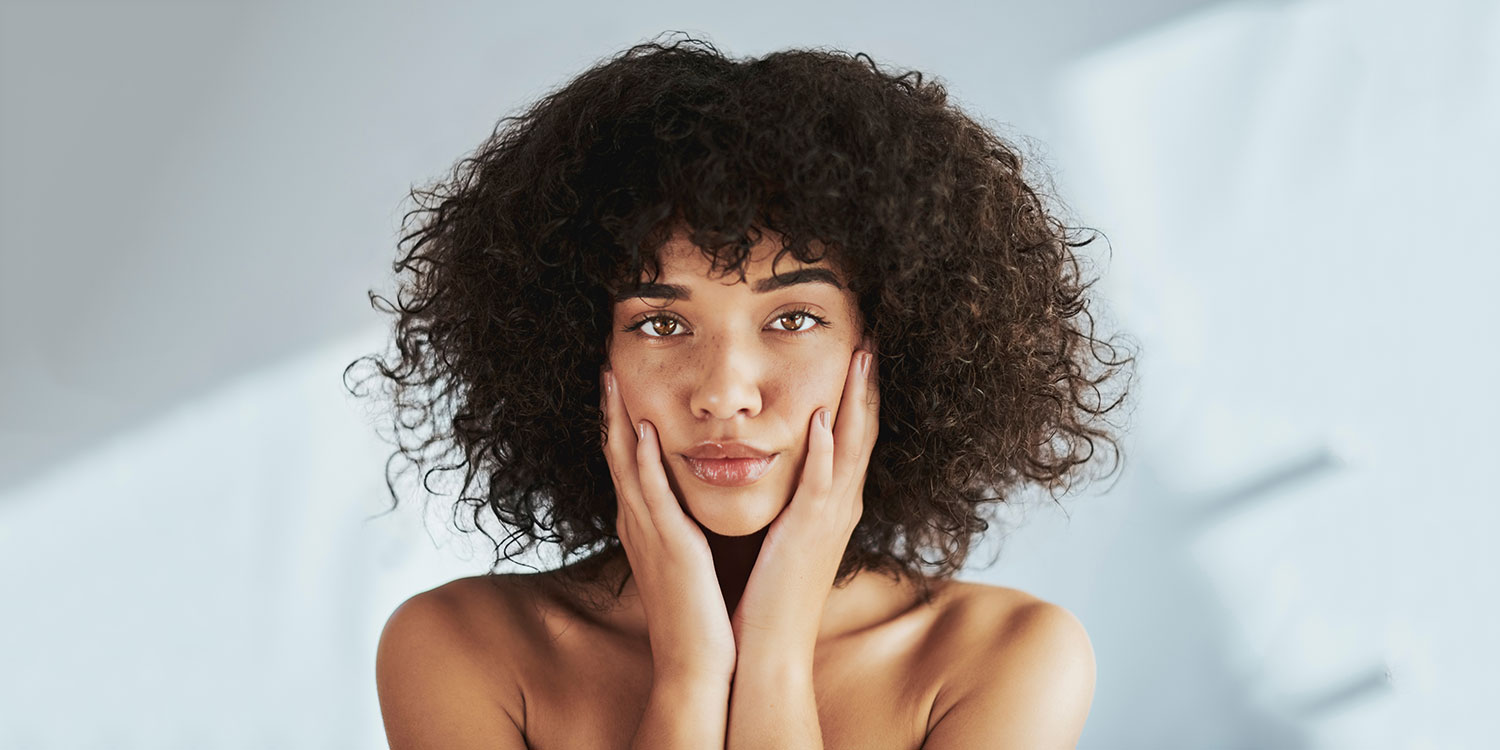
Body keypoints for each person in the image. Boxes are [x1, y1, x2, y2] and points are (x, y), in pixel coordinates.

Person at [353, 32, 1135, 750]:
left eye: (794, 317)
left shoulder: (1003, 658)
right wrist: (690, 672)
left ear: (892, 344)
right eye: (660, 325)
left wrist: (775, 658)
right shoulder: (460, 648)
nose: (724, 392)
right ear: (577, 354)